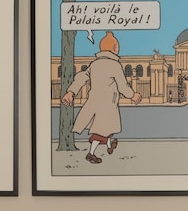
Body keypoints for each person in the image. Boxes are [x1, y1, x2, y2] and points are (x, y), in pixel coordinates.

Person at [61, 31, 142, 165]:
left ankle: (109, 146)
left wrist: (71, 92)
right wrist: (133, 95)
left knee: (106, 127)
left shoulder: (94, 64)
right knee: (101, 130)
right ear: (115, 48)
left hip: (95, 101)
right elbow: (122, 86)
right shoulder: (115, 65)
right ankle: (91, 153)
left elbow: (82, 77)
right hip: (107, 103)